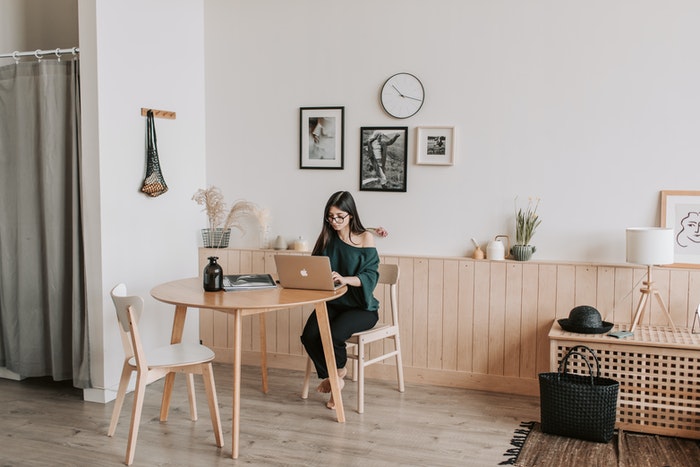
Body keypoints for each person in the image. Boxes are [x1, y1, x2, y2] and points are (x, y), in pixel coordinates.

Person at [300, 191, 381, 409]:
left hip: (361, 308)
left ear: (351, 215)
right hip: (333, 303)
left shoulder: (365, 238)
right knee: (309, 336)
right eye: (330, 216)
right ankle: (337, 374)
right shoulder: (327, 237)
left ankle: (335, 378)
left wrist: (345, 279)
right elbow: (313, 268)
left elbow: (371, 275)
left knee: (334, 334)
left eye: (339, 217)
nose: (334, 222)